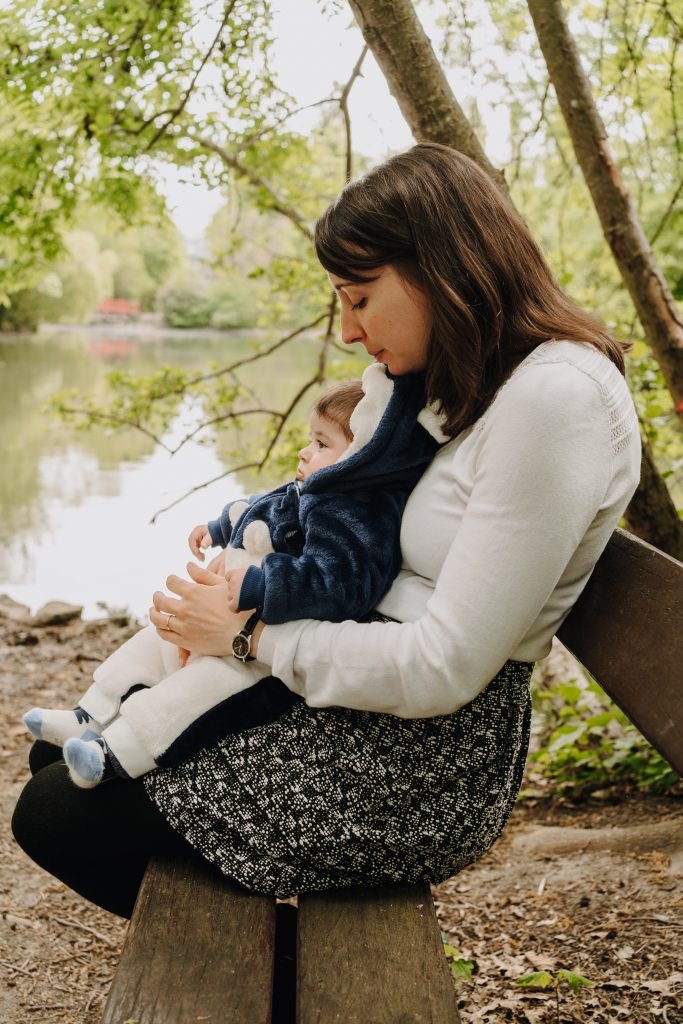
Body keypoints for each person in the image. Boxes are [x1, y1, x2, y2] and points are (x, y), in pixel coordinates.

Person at [12, 143, 641, 919]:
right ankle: (259, 970)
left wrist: (245, 637)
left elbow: (444, 669)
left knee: (56, 811)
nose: (347, 331)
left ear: (443, 266)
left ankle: (264, 984)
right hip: (360, 697)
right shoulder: (469, 387)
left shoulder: (554, 401)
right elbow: (350, 521)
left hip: (421, 761)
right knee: (61, 759)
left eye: (360, 297)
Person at [22, 369, 442, 787]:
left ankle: (111, 757)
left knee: (192, 696)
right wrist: (221, 525)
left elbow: (341, 584)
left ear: (364, 457)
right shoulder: (317, 488)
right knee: (157, 638)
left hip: (261, 658)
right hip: (228, 616)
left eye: (320, 443)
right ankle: (89, 715)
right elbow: (266, 505)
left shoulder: (356, 514)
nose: (303, 451)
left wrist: (261, 583)